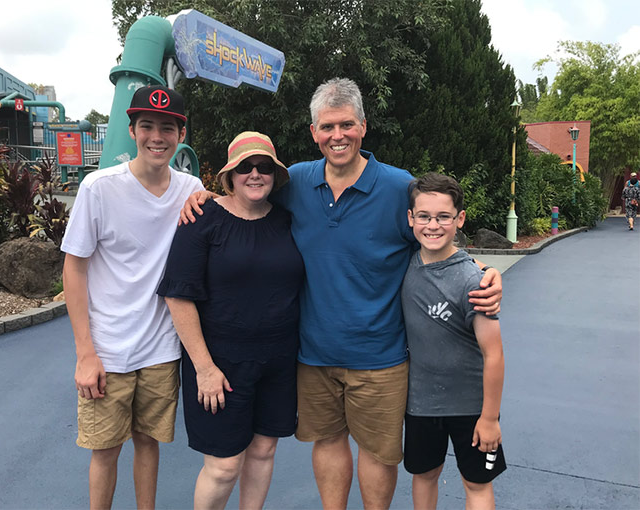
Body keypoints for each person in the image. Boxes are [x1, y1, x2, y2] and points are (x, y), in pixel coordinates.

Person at [181, 78, 502, 508]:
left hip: (381, 356)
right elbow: (245, 197)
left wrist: (480, 270)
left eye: (346, 125)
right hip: (313, 354)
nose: (338, 136)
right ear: (313, 132)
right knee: (328, 444)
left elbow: (435, 234)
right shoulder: (292, 182)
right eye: (327, 127)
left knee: (377, 454)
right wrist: (203, 197)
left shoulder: (397, 187)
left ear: (363, 127)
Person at [61, 85, 204, 509]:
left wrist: (210, 198)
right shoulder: (98, 188)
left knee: (148, 443)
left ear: (180, 133)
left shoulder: (191, 187)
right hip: (108, 350)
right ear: (131, 130)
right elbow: (74, 267)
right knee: (105, 450)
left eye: (167, 127)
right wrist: (85, 353)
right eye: (147, 126)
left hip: (161, 348)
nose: (156, 136)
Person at [158, 132, 304, 510]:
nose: (255, 174)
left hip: (277, 362)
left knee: (263, 452)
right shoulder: (201, 219)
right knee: (223, 466)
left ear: (275, 174)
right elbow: (178, 295)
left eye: (264, 167)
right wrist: (204, 368)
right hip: (219, 365)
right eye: (244, 167)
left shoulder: (288, 221)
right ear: (229, 175)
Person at [402, 173, 506, 510]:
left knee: (477, 483)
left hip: (472, 409)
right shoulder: (406, 264)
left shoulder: (474, 281)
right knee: (425, 476)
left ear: (459, 219)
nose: (433, 225)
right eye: (424, 216)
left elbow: (494, 354)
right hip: (421, 405)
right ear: (411, 218)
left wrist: (489, 419)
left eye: (443, 216)